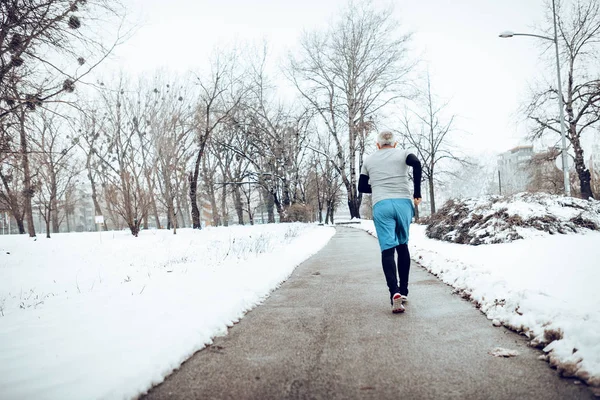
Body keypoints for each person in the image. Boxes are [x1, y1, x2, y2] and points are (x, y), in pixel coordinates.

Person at [358, 131, 422, 313]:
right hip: (403, 203)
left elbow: (362, 187)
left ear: (378, 145)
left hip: (382, 205)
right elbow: (416, 163)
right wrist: (417, 192)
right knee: (403, 246)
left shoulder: (369, 160)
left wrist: (378, 185)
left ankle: (394, 292)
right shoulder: (403, 153)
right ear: (394, 143)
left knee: (387, 250)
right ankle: (404, 291)